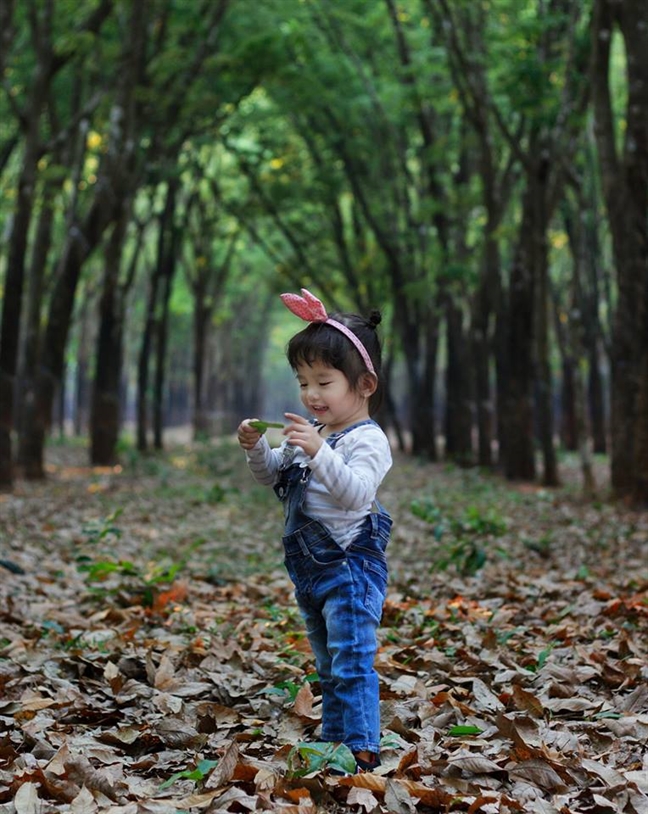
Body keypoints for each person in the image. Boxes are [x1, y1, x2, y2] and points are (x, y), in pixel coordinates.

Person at [237, 288, 393, 774]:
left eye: (324, 382)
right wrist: (258, 449)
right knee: (328, 665)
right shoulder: (315, 434)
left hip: (348, 568)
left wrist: (319, 453)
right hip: (310, 572)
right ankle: (334, 742)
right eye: (303, 382)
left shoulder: (367, 440)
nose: (311, 395)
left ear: (363, 385)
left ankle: (362, 750)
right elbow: (275, 478)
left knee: (351, 663)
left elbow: (357, 495)